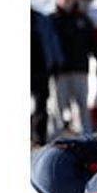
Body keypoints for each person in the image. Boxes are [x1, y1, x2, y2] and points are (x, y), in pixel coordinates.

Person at [50, 0, 97, 134]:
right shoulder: (52, 20)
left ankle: (85, 134)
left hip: (80, 68)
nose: (67, 1)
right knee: (58, 106)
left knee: (82, 105)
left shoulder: (83, 20)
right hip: (60, 71)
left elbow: (93, 43)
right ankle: (56, 135)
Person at [31, 8, 62, 146]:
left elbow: (52, 40)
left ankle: (39, 139)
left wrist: (56, 62)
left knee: (41, 106)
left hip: (40, 69)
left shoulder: (41, 19)